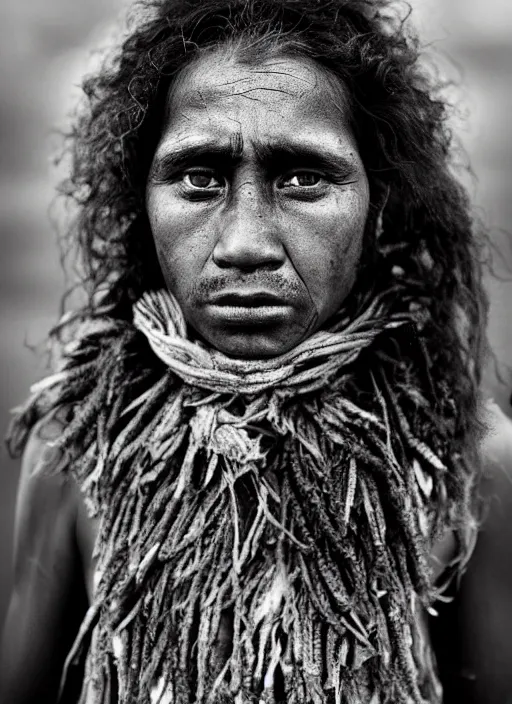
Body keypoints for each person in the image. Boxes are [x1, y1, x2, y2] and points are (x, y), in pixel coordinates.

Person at [1, 0, 511, 702]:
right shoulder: (76, 444)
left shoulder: (470, 461)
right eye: (199, 178)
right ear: (140, 200)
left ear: (380, 205)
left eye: (303, 178)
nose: (245, 245)